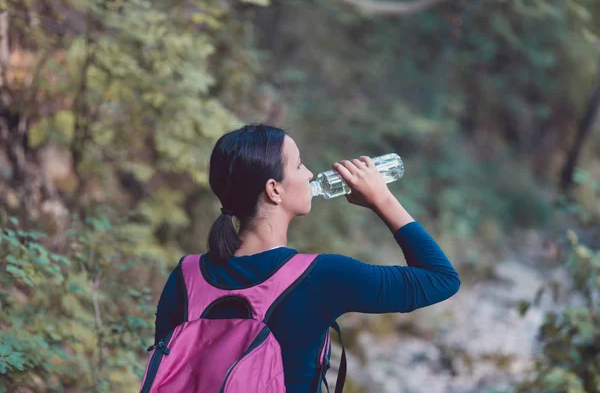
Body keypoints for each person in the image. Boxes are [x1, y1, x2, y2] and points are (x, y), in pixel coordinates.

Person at [153, 124, 461, 392]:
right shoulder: (321, 276)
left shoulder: (186, 275)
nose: (311, 174)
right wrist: (382, 199)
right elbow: (441, 279)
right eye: (299, 166)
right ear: (274, 190)